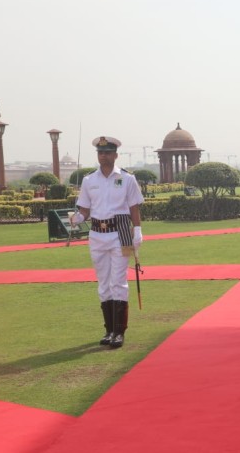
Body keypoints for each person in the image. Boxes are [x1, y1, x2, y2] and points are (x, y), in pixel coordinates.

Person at [71, 136, 144, 349]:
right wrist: (77, 218)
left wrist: (137, 230)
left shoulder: (127, 178)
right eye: (100, 152)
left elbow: (134, 207)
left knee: (118, 281)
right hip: (97, 234)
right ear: (98, 155)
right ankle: (109, 329)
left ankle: (119, 332)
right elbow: (85, 209)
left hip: (120, 231)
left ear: (115, 155)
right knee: (103, 283)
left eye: (108, 152)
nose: (104, 155)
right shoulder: (88, 181)